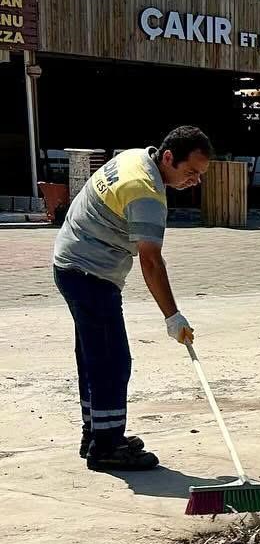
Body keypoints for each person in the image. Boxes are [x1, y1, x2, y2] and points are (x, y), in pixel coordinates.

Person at [53, 127, 212, 471]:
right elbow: (151, 261)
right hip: (89, 274)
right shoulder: (146, 192)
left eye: (199, 175)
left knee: (95, 357)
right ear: (168, 158)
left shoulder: (136, 156)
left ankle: (96, 433)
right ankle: (107, 447)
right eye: (191, 172)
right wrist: (173, 316)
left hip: (71, 263)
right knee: (112, 360)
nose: (194, 182)